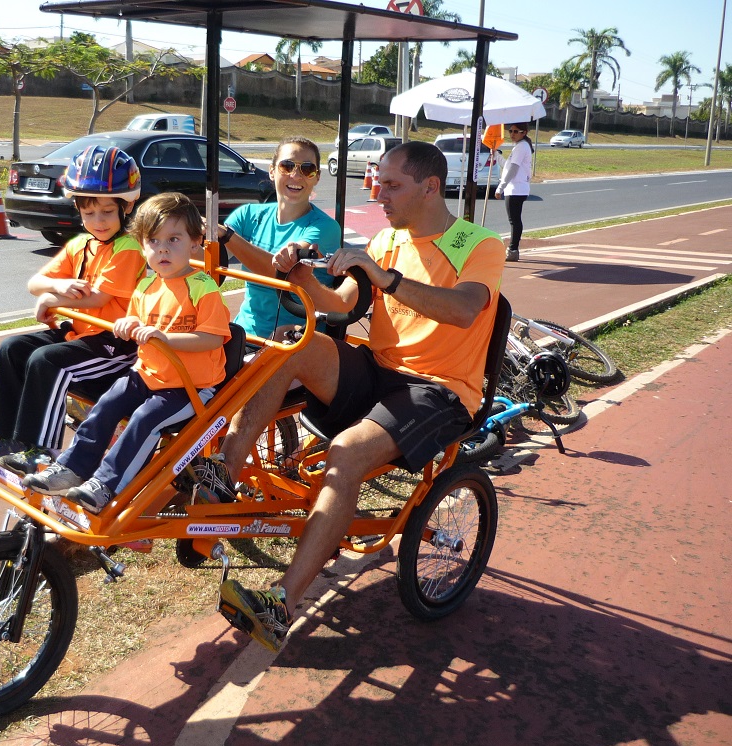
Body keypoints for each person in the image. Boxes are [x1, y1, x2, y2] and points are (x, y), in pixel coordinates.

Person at [190, 141, 506, 652]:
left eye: (391, 184)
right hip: (380, 370)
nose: (378, 192)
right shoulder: (387, 239)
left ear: (430, 187)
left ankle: (281, 605)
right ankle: (223, 475)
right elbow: (339, 303)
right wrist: (297, 277)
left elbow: (465, 310)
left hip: (441, 390)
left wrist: (388, 277)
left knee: (345, 454)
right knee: (294, 343)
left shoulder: (478, 243)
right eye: (377, 181)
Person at [22, 192, 232, 514]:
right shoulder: (147, 286)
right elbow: (135, 317)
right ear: (143, 245)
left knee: (145, 420)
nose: (162, 249)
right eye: (153, 241)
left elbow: (211, 339)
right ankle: (71, 467)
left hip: (190, 388)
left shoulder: (204, 287)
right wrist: (129, 323)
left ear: (195, 244)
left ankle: (106, 485)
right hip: (148, 374)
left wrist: (165, 338)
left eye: (173, 240)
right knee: (106, 405)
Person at [0, 146, 146, 476]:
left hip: (115, 346)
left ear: (126, 208)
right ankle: (8, 438)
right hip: (82, 333)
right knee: (12, 348)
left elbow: (97, 299)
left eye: (107, 212)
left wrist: (55, 299)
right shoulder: (80, 245)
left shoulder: (129, 249)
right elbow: (35, 283)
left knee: (47, 361)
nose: (98, 221)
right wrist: (55, 289)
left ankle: (41, 451)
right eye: (89, 212)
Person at [215, 136, 341, 337]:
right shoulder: (248, 214)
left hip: (294, 339)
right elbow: (209, 255)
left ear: (317, 177)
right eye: (287, 166)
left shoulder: (325, 227)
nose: (296, 176)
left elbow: (282, 271)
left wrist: (227, 235)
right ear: (272, 172)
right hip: (243, 332)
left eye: (307, 169)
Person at [494, 122, 534, 262]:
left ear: (524, 133)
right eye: (510, 131)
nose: (512, 134)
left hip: (516, 189)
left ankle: (513, 250)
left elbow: (513, 169)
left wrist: (500, 187)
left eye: (516, 131)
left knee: (514, 220)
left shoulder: (521, 146)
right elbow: (508, 166)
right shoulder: (519, 146)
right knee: (514, 220)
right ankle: (513, 249)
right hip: (516, 188)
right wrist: (497, 156)